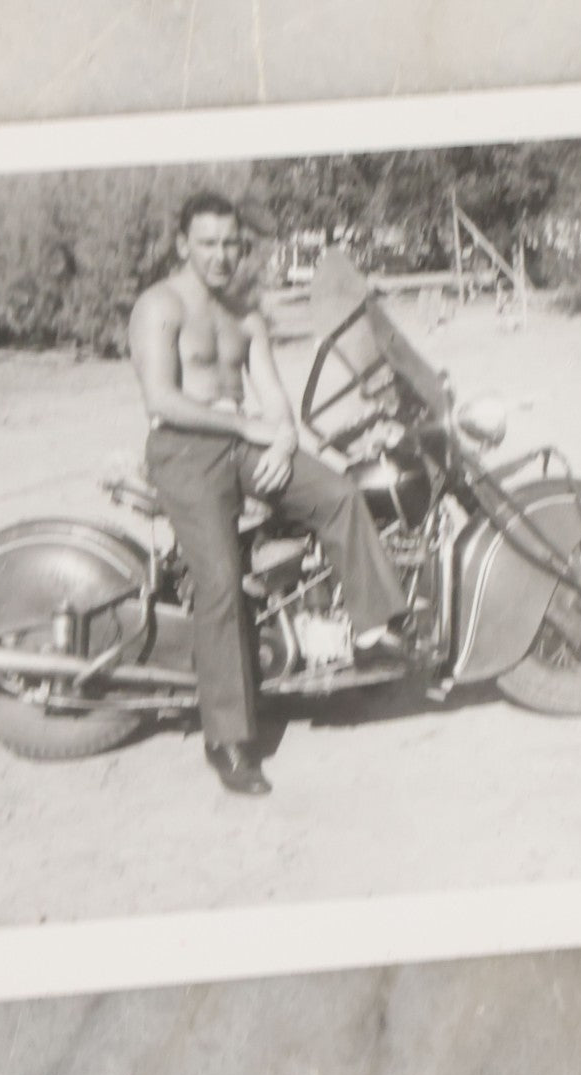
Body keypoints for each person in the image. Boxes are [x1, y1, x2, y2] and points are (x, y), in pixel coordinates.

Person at [128, 192, 408, 796]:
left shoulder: (245, 314)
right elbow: (160, 398)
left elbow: (272, 392)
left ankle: (368, 632)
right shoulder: (160, 305)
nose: (222, 254)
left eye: (231, 243)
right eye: (208, 243)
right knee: (221, 581)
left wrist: (283, 439)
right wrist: (246, 427)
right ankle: (226, 738)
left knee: (339, 492)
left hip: (248, 446)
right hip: (184, 451)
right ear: (183, 245)